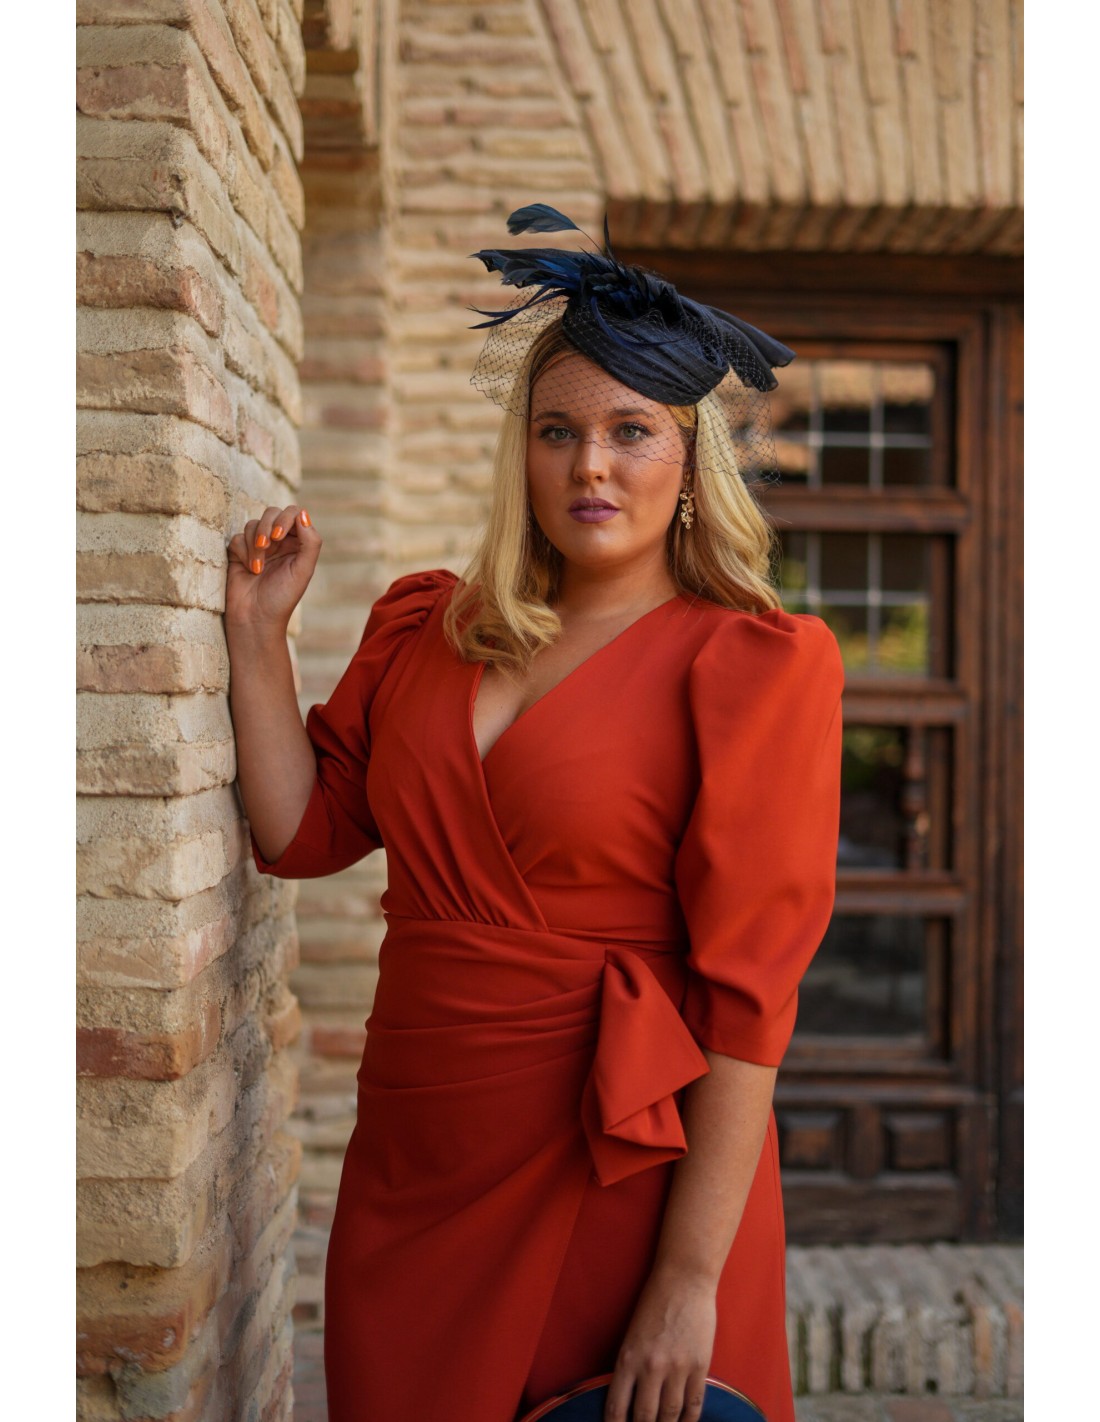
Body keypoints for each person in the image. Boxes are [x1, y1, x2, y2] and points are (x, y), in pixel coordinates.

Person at [225, 205, 844, 1422]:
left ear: (689, 464)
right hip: (418, 1151)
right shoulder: (427, 628)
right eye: (556, 431)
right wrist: (257, 636)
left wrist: (686, 1279)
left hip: (622, 1160)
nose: (588, 466)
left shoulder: (749, 665)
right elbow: (301, 835)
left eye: (630, 431)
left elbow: (748, 1006)